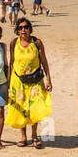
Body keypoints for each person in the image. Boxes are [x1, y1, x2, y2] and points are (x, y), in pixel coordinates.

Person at [6, 19, 52, 148]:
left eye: (26, 27)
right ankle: (23, 137)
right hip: (18, 82)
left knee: (34, 109)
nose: (23, 30)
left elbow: (44, 62)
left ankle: (34, 136)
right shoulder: (13, 43)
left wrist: (48, 79)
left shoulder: (37, 43)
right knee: (21, 109)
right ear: (17, 30)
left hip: (35, 82)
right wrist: (9, 83)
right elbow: (11, 63)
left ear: (30, 28)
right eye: (20, 28)